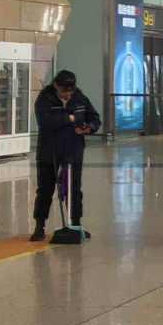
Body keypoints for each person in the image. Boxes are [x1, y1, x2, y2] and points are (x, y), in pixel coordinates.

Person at [30, 70, 100, 241]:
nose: (68, 94)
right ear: (56, 85)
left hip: (73, 150)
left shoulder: (80, 98)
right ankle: (39, 226)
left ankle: (75, 225)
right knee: (45, 190)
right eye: (64, 91)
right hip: (49, 151)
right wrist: (68, 118)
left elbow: (94, 117)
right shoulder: (45, 99)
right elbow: (45, 122)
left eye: (71, 90)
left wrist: (89, 127)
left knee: (74, 190)